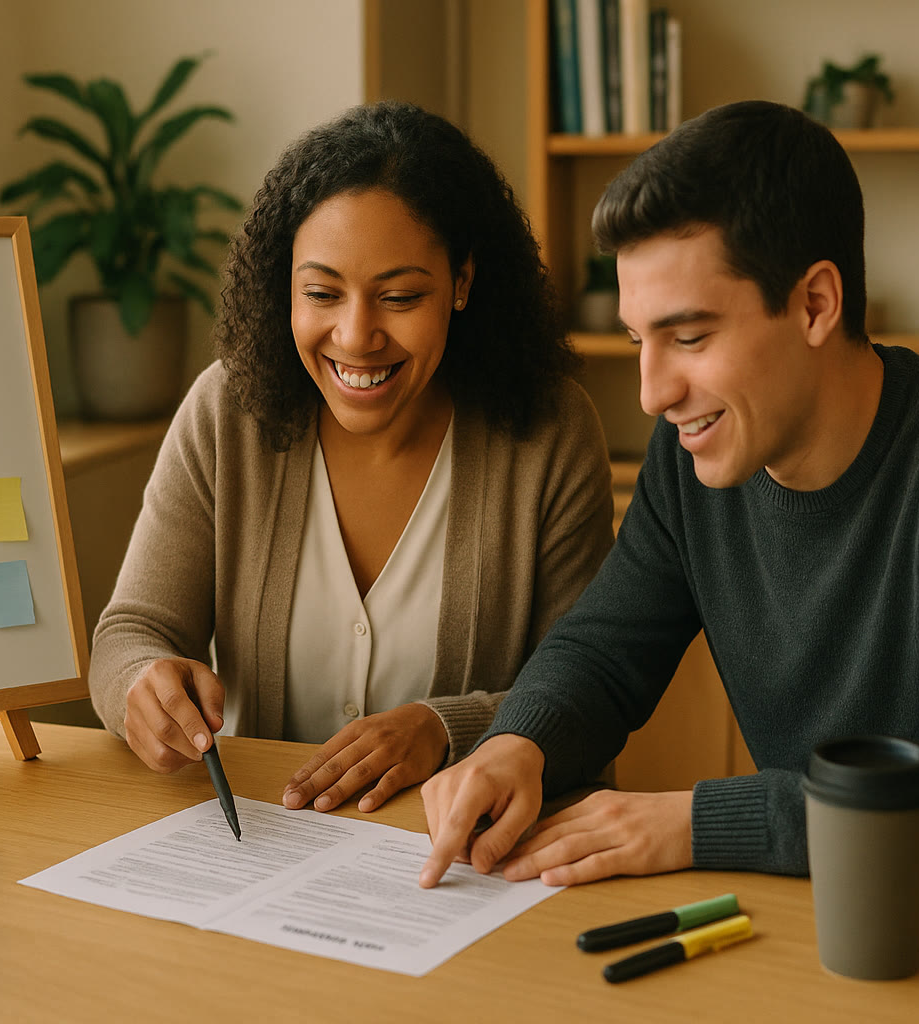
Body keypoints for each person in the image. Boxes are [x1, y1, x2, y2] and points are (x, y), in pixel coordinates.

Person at [419, 100, 919, 898]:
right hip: (830, 914)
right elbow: (602, 654)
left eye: (690, 337)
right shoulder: (698, 460)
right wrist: (518, 743)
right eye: (642, 340)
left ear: (816, 303)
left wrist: (693, 823)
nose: (651, 394)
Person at [89, 102, 613, 815]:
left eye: (399, 296)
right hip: (264, 852)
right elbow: (129, 632)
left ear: (461, 282)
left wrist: (441, 729)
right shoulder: (226, 412)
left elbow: (588, 696)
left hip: (467, 863)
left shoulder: (547, 431)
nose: (356, 335)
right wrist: (140, 686)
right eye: (321, 293)